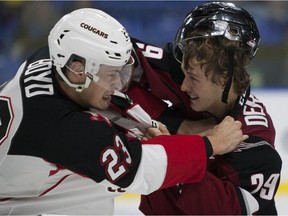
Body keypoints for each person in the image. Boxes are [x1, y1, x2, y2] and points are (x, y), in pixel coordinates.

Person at [0, 8, 247, 215]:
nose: (118, 84)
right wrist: (210, 143)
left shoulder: (51, 60)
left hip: (21, 181)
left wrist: (147, 123)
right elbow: (140, 168)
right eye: (111, 74)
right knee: (102, 178)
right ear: (77, 70)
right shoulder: (64, 128)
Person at [139, 2, 282, 215]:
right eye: (184, 73)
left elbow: (216, 210)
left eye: (193, 78)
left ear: (225, 77)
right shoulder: (191, 70)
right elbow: (117, 57)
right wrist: (177, 124)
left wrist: (170, 151)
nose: (183, 86)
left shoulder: (254, 141)